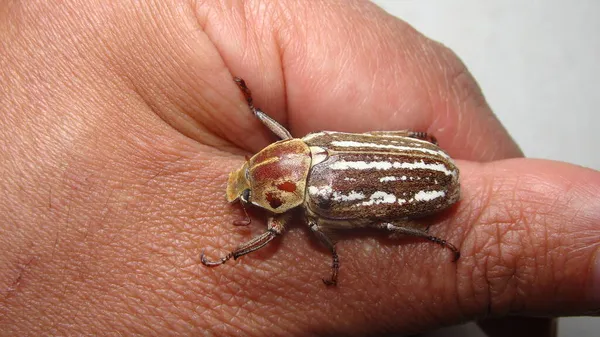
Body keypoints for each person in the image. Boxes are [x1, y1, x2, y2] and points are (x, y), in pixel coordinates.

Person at [0, 1, 597, 336]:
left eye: (257, 189)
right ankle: (432, 231)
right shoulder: (308, 143)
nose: (251, 194)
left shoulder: (311, 209)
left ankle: (433, 238)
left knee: (387, 228)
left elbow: (273, 226)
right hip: (411, 158)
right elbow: (266, 120)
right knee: (373, 220)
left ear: (281, 186)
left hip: (423, 185)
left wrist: (247, 254)